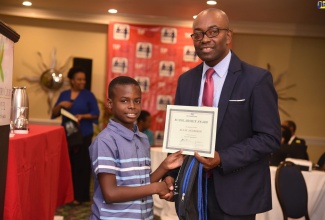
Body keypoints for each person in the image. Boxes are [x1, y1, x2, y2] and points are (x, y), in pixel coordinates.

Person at [161, 8, 281, 219]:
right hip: (192, 190)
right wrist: (171, 175)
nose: (204, 39)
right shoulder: (186, 81)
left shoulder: (256, 79)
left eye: (213, 31)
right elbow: (180, 138)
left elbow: (269, 138)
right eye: (197, 34)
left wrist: (222, 158)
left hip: (236, 194)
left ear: (229, 35)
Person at [88, 76, 184, 220]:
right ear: (110, 103)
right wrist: (156, 188)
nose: (132, 106)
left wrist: (165, 167)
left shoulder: (142, 139)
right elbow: (110, 194)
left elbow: (141, 183)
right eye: (124, 101)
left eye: (137, 101)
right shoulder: (105, 141)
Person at [51, 66, 100, 205]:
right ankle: (65, 195)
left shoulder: (88, 95)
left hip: (83, 134)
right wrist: (61, 105)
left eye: (83, 79)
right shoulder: (64, 94)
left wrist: (82, 116)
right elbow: (54, 113)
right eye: (79, 79)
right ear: (72, 80)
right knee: (67, 165)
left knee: (81, 165)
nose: (82, 82)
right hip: (66, 135)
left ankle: (79, 196)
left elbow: (96, 113)